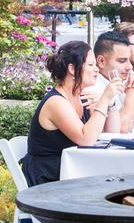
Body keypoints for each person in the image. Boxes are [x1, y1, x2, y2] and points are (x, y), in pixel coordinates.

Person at [22, 41, 122, 187]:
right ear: (72, 68)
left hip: (72, 174)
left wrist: (110, 102)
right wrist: (104, 98)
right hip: (48, 180)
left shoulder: (82, 97)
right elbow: (86, 139)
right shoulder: (56, 102)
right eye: (90, 65)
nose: (96, 70)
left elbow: (113, 133)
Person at [92, 31, 134, 133]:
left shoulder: (118, 82)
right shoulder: (94, 88)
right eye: (122, 61)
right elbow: (121, 130)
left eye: (129, 60)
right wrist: (130, 97)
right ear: (101, 61)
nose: (130, 66)